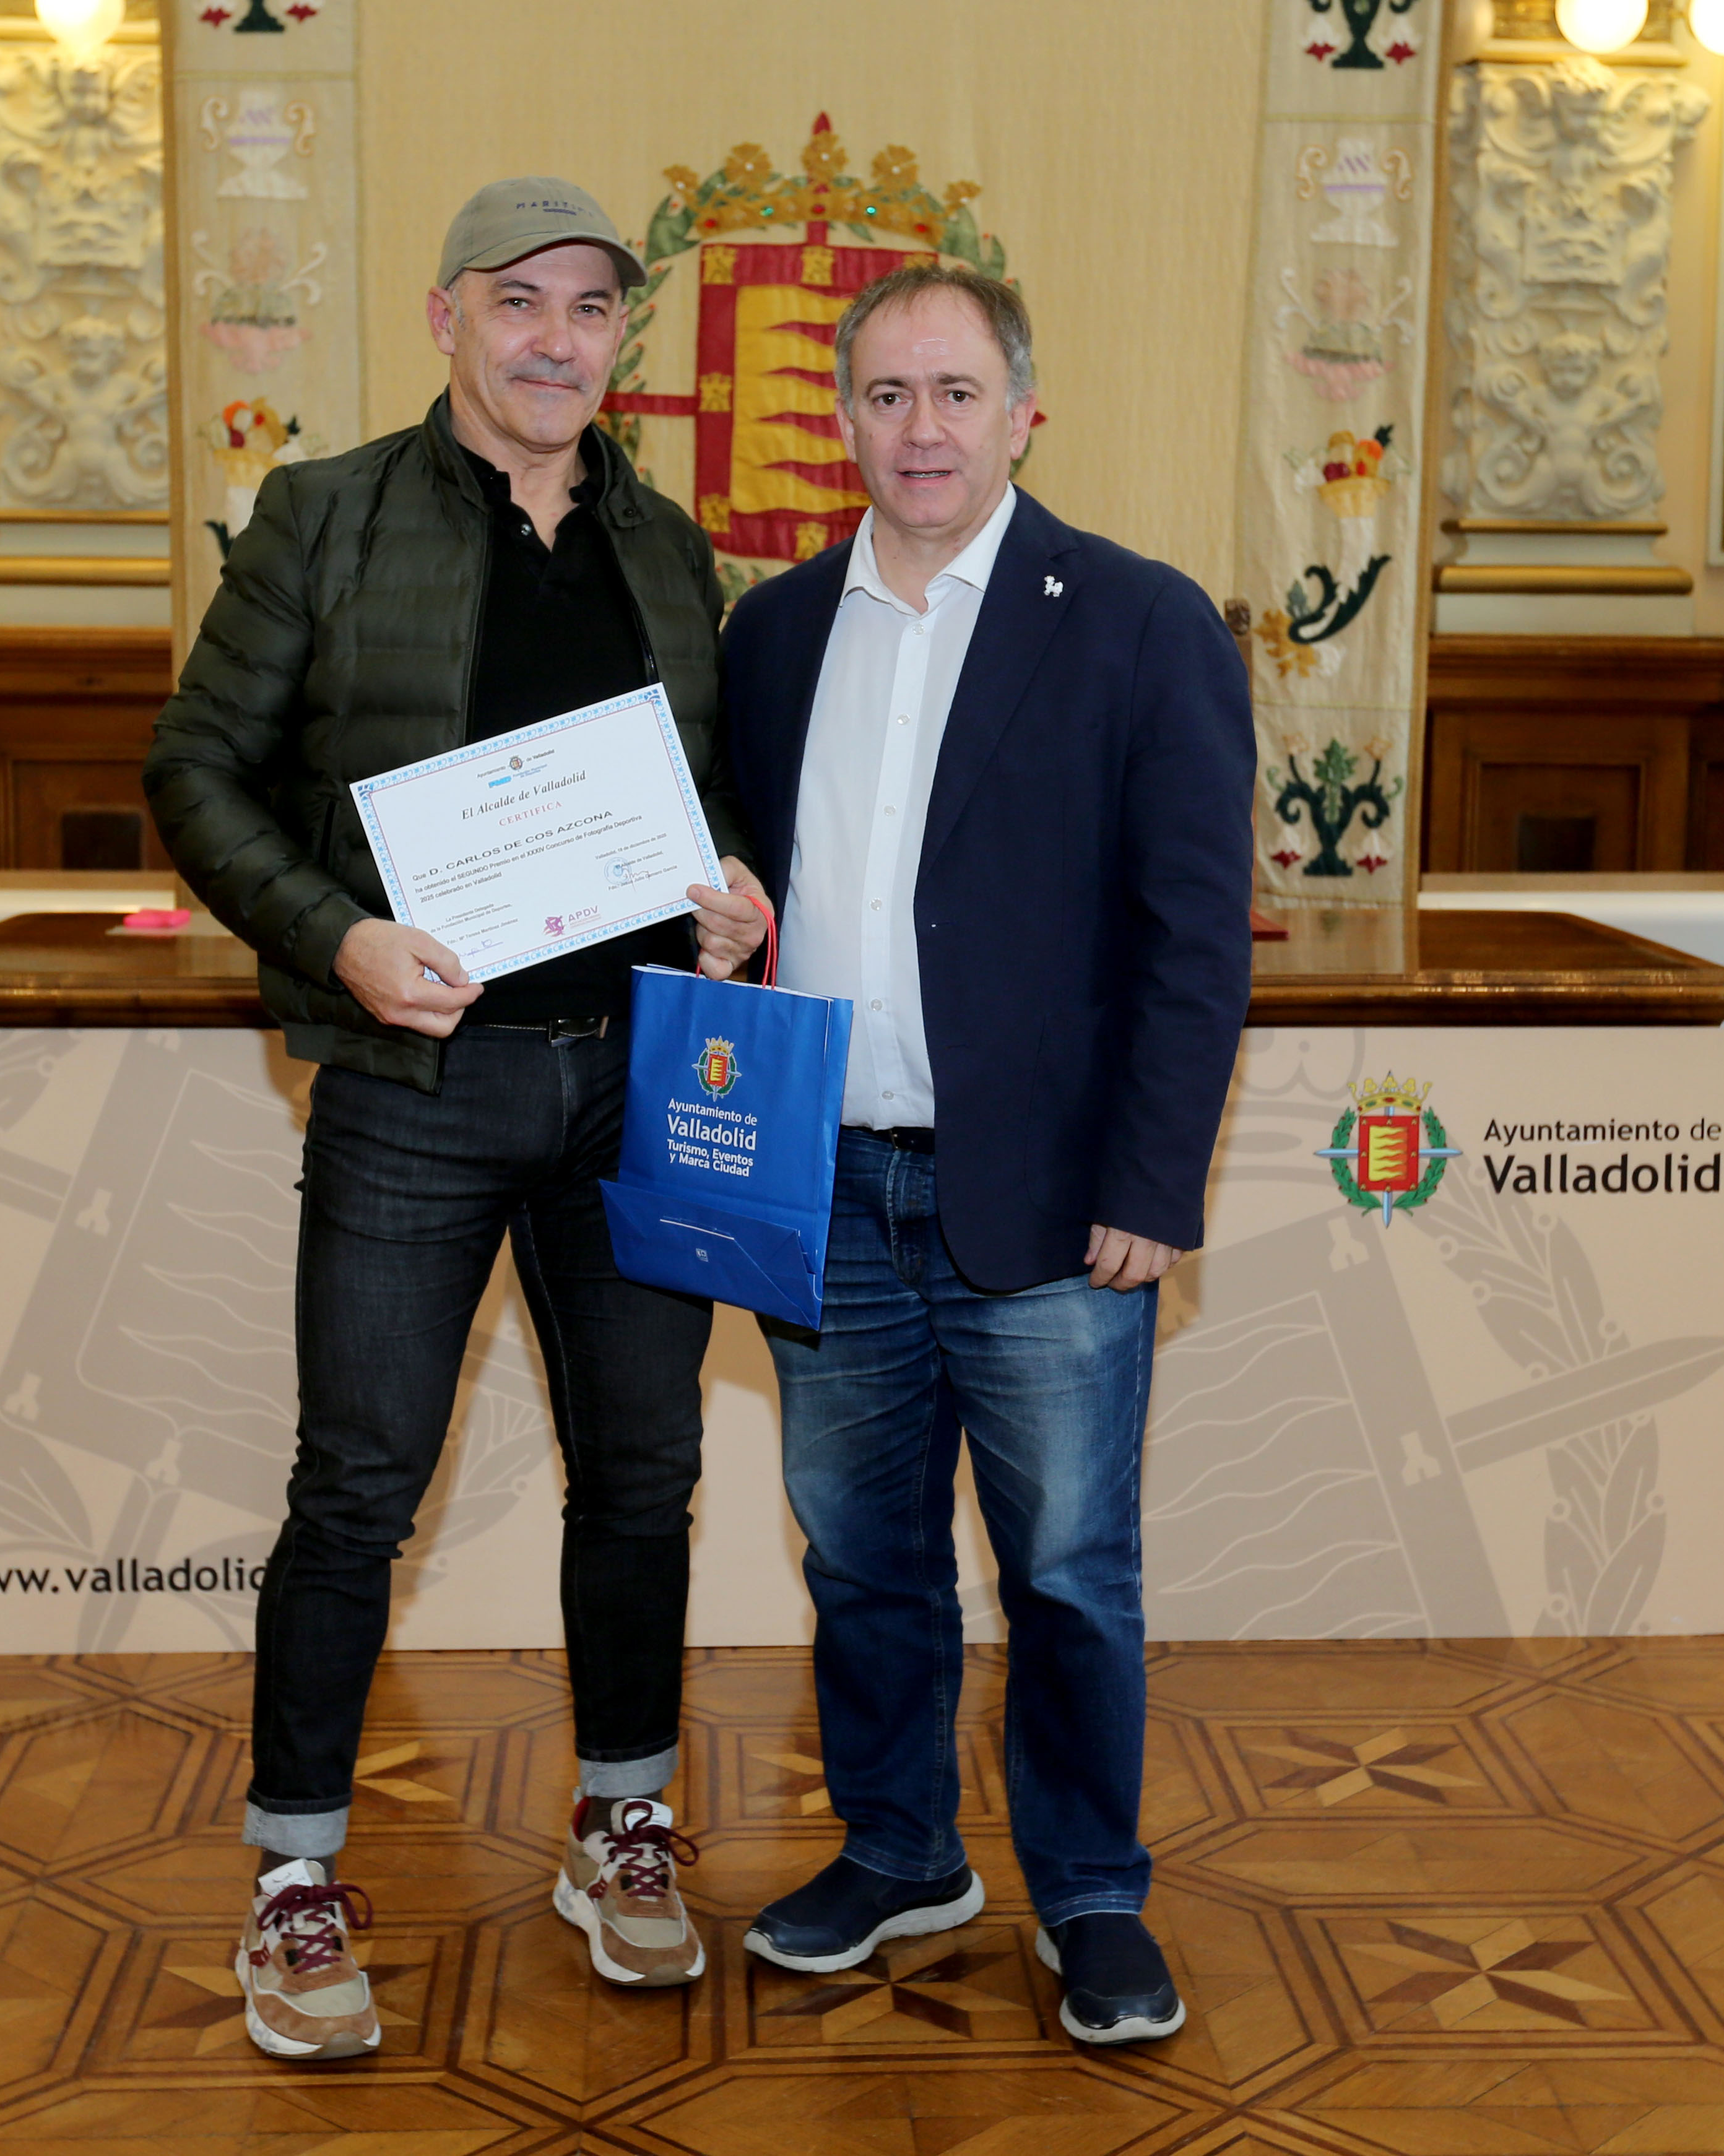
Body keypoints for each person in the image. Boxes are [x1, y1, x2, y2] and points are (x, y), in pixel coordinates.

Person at [144, 176, 768, 2060]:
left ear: (617, 344)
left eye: (593, 309)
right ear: (444, 318)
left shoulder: (672, 552)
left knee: (643, 1476)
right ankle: (293, 1876)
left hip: (634, 1086)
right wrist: (334, 940)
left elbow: (703, 802)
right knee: (355, 1488)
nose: (557, 339)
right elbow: (194, 768)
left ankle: (622, 1824)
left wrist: (732, 890)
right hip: (417, 1093)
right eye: (521, 301)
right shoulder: (322, 517)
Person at [720, 263, 1252, 2045]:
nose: (918, 429)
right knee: (861, 1558)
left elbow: (1194, 937)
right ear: (842, 420)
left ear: (1024, 411)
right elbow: (740, 890)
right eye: (883, 395)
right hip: (829, 1188)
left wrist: (1150, 1183)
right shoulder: (774, 634)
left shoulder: (1137, 620)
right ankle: (897, 1849)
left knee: (1067, 1574)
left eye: (953, 393)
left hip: (1043, 1200)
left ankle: (1092, 1894)